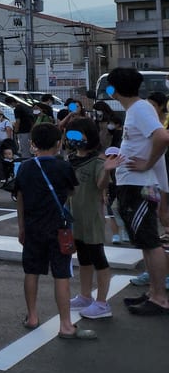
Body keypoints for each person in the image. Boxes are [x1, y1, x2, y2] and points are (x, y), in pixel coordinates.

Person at [13, 123, 95, 339]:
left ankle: (32, 316)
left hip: (32, 228)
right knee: (61, 275)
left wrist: (21, 226)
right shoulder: (63, 167)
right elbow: (71, 192)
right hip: (59, 229)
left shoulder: (25, 167)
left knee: (31, 272)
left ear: (33, 144)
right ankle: (66, 325)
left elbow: (19, 198)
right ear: (58, 144)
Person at [106, 67, 169, 315]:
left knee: (151, 242)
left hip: (139, 186)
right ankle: (153, 293)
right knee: (145, 241)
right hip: (134, 184)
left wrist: (147, 164)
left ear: (114, 89)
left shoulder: (141, 109)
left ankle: (160, 298)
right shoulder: (136, 109)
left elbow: (162, 137)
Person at [66, 118, 111, 320]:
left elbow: (101, 185)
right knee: (83, 258)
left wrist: (108, 170)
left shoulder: (98, 161)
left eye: (78, 135)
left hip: (91, 217)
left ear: (89, 136)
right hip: (75, 218)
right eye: (71, 135)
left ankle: (102, 303)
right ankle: (85, 296)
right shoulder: (70, 158)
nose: (74, 139)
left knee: (98, 258)